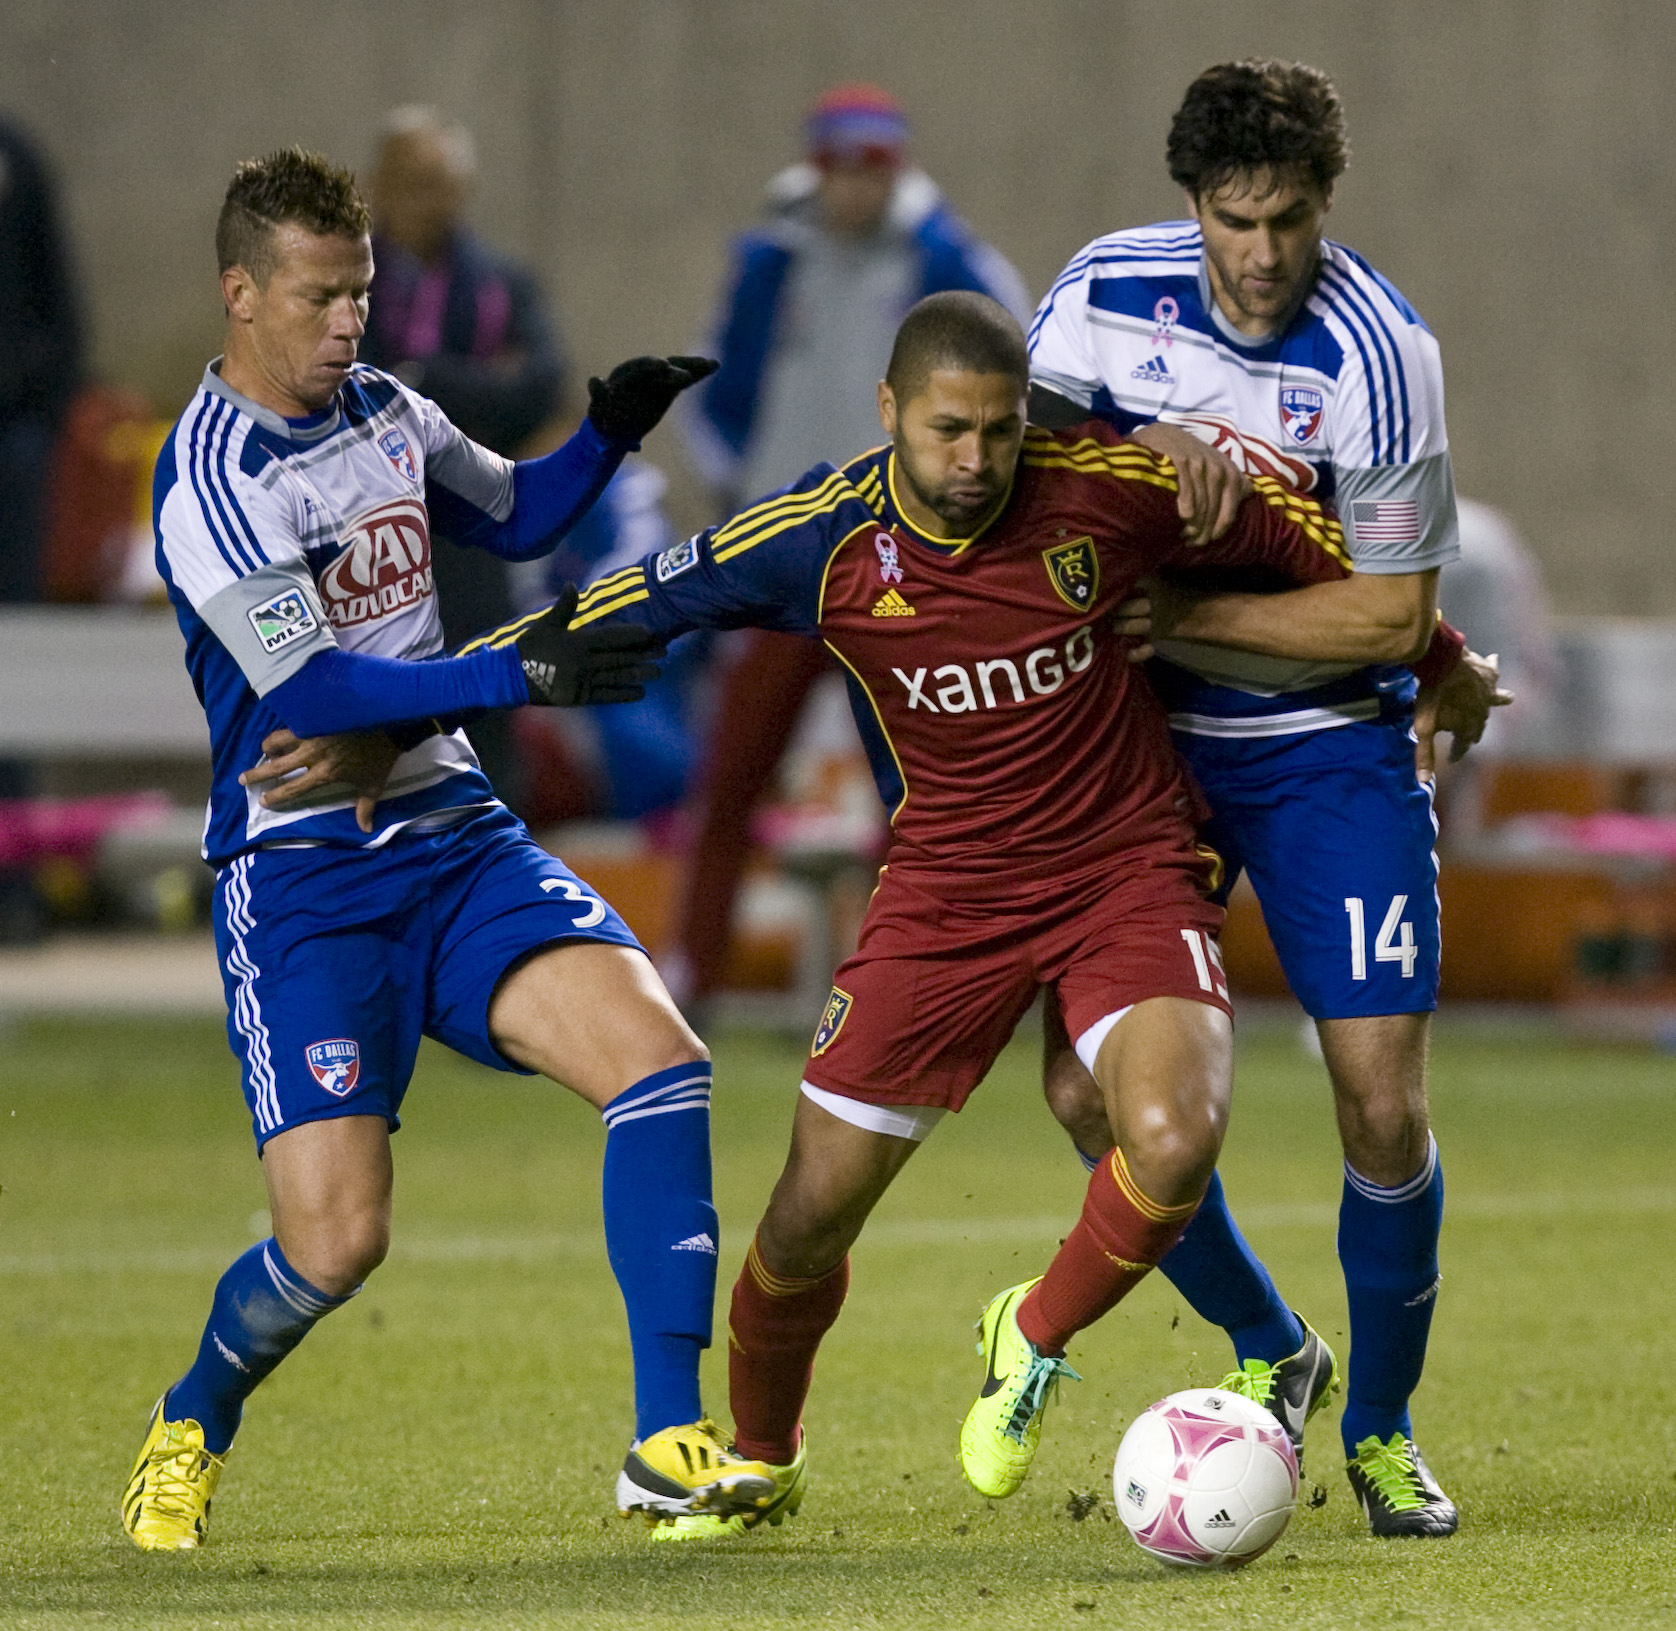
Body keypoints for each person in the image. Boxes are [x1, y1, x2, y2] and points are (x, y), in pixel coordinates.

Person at [530, 290, 1412, 1541]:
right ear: (889, 411)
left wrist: (1439, 661)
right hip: (946, 891)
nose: (974, 460)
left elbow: (1323, 560)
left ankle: (1031, 1332)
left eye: (999, 432)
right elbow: (650, 597)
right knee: (804, 1218)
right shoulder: (823, 537)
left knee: (1166, 1133)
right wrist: (433, 692)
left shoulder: (1106, 488)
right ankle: (763, 1458)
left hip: (1126, 866)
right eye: (947, 430)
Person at [121, 147, 774, 1551]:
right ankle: (192, 1414)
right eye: (319, 296)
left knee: (659, 1059)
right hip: (301, 876)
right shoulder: (211, 480)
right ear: (241, 294)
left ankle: (667, 1439)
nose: (350, 322)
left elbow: (519, 510)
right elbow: (310, 698)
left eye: (361, 292)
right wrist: (511, 677)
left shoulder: (385, 410)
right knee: (335, 1243)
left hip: (455, 833)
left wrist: (606, 433)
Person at [1027, 59, 1507, 1535]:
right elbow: (1012, 488)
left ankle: (1380, 1425)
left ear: (1325, 207)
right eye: (1235, 220)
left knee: (1379, 1102)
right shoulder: (1105, 295)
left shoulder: (1384, 351)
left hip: (1324, 749)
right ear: (1193, 208)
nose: (1262, 253)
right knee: (1078, 1090)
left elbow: (1380, 617)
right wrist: (1126, 454)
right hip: (1147, 752)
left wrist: (1177, 619)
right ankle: (1272, 1343)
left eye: (1290, 219)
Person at [667, 83, 1032, 1017]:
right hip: (792, 561)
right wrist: (749, 507)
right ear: (815, 166)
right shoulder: (769, 265)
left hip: (905, 562)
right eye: (840, 164)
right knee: (733, 770)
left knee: (923, 787)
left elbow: (1011, 393)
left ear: (898, 169)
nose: (855, 187)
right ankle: (689, 967)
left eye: (874, 166)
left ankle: (924, 981)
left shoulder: (950, 263)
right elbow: (716, 397)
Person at [360, 106, 568, 808]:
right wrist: (476, 387)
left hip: (473, 526)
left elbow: (541, 389)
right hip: (371, 527)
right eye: (413, 183)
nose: (430, 200)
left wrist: (427, 382)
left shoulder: (500, 284)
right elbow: (339, 393)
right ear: (379, 187)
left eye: (443, 183)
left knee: (484, 703)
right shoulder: (346, 284)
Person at [0, 113, 82, 941]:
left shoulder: (15, 158)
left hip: (9, 448)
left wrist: (37, 423)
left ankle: (11, 878)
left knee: (10, 664)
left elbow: (60, 307)